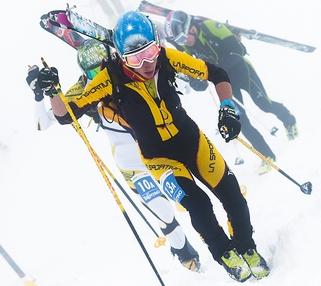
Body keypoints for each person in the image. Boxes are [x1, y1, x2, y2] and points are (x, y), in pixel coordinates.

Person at [36, 11, 270, 283]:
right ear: (122, 58)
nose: (147, 63)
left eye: (150, 52)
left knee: (233, 196)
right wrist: (53, 92)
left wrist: (227, 107)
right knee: (198, 204)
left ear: (157, 43)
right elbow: (66, 115)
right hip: (160, 159)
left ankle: (247, 248)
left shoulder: (167, 58)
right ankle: (224, 253)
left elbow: (216, 73)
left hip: (192, 141)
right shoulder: (110, 77)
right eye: (136, 58)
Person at [26, 39, 200, 272]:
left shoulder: (127, 71)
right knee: (163, 210)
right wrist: (41, 93)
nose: (100, 74)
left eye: (103, 66)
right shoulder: (83, 89)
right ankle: (185, 254)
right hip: (130, 162)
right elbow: (43, 124)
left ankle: (216, 236)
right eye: (93, 71)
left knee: (187, 198)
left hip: (158, 149)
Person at [164, 10, 299, 174]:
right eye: (179, 41)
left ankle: (289, 120)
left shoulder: (211, 27)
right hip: (226, 82)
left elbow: (238, 50)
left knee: (264, 104)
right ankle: (266, 155)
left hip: (242, 71)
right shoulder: (187, 48)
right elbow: (200, 82)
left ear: (190, 28)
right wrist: (197, 81)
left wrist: (212, 70)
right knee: (241, 121)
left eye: (184, 37)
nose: (185, 43)